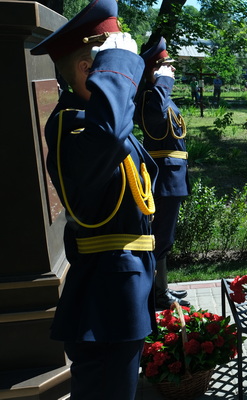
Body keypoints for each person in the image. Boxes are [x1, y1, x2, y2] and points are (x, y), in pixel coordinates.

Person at [30, 0, 157, 397]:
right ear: (90, 69)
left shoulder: (94, 119)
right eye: (113, 63)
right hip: (106, 294)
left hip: (122, 286)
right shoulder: (76, 125)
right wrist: (117, 60)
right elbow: (109, 135)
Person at [135, 37, 191, 309]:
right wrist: (161, 82)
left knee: (165, 237)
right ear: (153, 71)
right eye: (166, 66)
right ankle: (156, 294)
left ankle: (162, 288)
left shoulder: (161, 96)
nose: (172, 71)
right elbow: (155, 115)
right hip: (164, 181)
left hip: (173, 179)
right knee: (160, 237)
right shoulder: (150, 97)